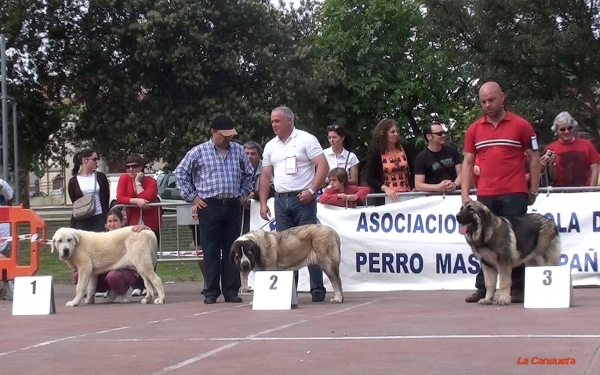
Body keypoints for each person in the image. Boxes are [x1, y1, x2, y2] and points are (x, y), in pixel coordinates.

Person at [461, 81, 542, 304]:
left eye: (491, 100)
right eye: (483, 101)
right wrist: (465, 195)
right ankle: (484, 289)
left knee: (515, 244)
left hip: (515, 193)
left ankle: (517, 289)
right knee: (481, 243)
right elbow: (468, 163)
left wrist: (533, 189)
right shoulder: (474, 129)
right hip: (485, 195)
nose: (487, 105)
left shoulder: (521, 125)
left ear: (502, 97)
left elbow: (535, 159)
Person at [175, 115, 253, 304]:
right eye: (224, 135)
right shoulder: (198, 152)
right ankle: (210, 291)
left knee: (232, 249)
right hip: (209, 205)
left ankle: (231, 291)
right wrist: (193, 196)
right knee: (209, 250)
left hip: (233, 204)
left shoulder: (238, 150)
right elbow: (180, 172)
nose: (228, 139)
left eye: (230, 135)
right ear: (213, 132)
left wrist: (243, 193)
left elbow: (249, 172)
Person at [259, 106, 329, 302]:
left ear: (289, 121)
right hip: (281, 200)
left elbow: (322, 165)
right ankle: (289, 291)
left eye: (277, 121)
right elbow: (265, 176)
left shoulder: (306, 139)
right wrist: (263, 203)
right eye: (272, 121)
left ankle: (317, 289)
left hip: (302, 199)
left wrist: (312, 191)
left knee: (310, 243)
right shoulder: (270, 146)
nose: (274, 125)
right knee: (284, 246)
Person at [73, 207, 148, 303]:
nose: (112, 224)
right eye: (109, 221)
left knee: (113, 276)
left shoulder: (130, 233)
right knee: (78, 274)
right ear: (106, 224)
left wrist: (144, 228)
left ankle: (125, 290)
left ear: (122, 222)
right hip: (105, 273)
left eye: (115, 221)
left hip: (126, 272)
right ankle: (97, 293)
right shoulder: (100, 238)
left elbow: (145, 234)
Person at [116, 153, 161, 296]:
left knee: (151, 255)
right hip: (134, 222)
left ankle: (151, 284)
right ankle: (136, 284)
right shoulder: (123, 179)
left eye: (134, 167)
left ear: (141, 168)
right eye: (128, 167)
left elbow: (148, 198)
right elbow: (120, 197)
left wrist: (138, 183)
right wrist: (135, 201)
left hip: (151, 224)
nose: (131, 170)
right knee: (135, 255)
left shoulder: (151, 181)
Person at [541, 111, 599, 187]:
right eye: (562, 129)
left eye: (570, 128)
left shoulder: (587, 145)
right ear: (556, 130)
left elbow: (595, 169)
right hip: (561, 192)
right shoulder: (550, 149)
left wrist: (591, 190)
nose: (566, 131)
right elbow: (552, 178)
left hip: (584, 192)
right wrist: (552, 165)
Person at [366, 119, 415, 203]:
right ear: (384, 134)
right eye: (392, 132)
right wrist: (385, 188)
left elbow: (414, 170)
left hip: (407, 194)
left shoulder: (404, 150)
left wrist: (414, 187)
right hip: (386, 196)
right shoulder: (377, 153)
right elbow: (370, 179)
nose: (396, 134)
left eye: (397, 131)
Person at [67, 148, 110, 231]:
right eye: (94, 159)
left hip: (99, 216)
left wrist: (106, 218)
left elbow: (106, 198)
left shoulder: (101, 177)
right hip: (82, 217)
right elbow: (75, 201)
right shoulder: (73, 181)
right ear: (85, 160)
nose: (97, 161)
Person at [414, 122, 462, 193]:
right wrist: (438, 187)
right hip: (434, 199)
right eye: (439, 133)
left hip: (455, 195)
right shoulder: (421, 158)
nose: (443, 135)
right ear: (429, 137)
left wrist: (454, 185)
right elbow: (418, 185)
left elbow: (462, 173)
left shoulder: (452, 151)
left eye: (444, 132)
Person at [242, 141, 275, 234]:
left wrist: (254, 195)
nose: (249, 156)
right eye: (246, 153)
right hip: (241, 209)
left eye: (253, 154)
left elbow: (272, 188)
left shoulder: (267, 167)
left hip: (260, 207)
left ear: (259, 155)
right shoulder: (238, 167)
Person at [0, 178, 13, 259]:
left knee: (4, 250)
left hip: (3, 220)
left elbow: (9, 196)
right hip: (3, 220)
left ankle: (5, 269)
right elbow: (10, 197)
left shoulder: (1, 183)